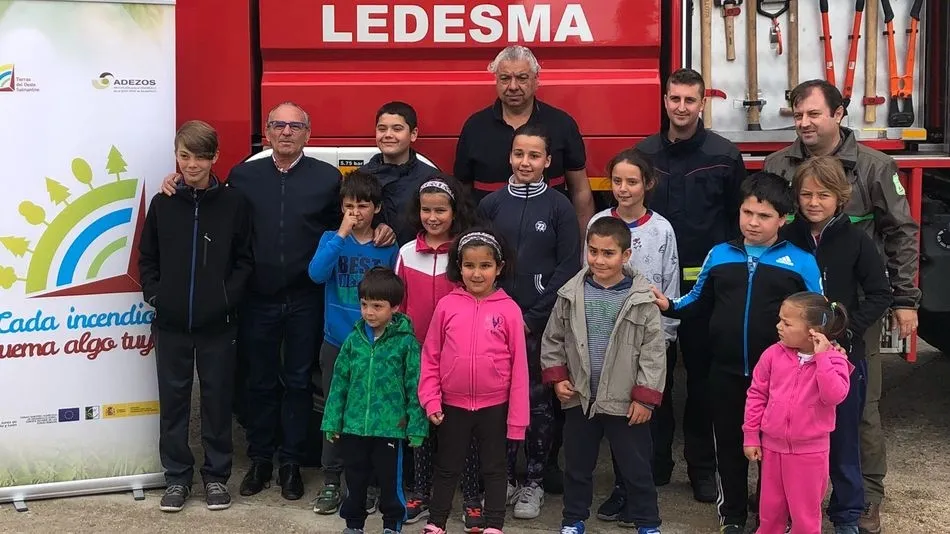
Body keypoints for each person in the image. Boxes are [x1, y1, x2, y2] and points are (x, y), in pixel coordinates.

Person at [161, 102, 343, 500]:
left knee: (297, 382)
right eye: (278, 124)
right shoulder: (244, 176)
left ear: (308, 135)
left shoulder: (328, 179)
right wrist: (174, 181)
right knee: (258, 381)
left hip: (305, 297)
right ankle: (260, 459)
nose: (287, 132)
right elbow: (207, 201)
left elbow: (346, 223)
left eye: (296, 126)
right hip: (256, 298)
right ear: (267, 132)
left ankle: (291, 462)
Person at [763, 80, 921, 534]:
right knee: (790, 400)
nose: (805, 123)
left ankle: (865, 498)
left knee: (859, 408)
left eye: (814, 114)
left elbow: (902, 232)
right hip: (795, 321)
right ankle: (786, 493)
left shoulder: (876, 167)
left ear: (838, 113)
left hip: (853, 313)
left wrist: (905, 300)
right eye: (798, 115)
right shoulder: (778, 165)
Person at [653, 172, 824, 534]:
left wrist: (831, 340)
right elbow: (695, 301)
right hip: (726, 372)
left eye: (763, 216)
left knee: (772, 452)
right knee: (729, 447)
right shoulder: (720, 254)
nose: (753, 222)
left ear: (784, 219)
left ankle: (769, 517)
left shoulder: (801, 261)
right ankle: (731, 516)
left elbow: (819, 314)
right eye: (747, 213)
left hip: (780, 378)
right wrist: (668, 304)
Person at [631, 67, 746, 505]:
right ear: (665, 101)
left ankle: (702, 469)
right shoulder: (643, 154)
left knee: (702, 382)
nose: (681, 107)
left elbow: (740, 221)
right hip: (649, 289)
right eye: (674, 98)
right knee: (651, 377)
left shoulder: (724, 155)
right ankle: (656, 463)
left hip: (703, 291)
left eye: (689, 100)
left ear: (702, 104)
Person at [139, 120, 254, 512]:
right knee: (173, 403)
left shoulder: (234, 203)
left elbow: (244, 260)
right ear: (176, 155)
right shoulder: (163, 202)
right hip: (171, 324)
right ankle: (176, 478)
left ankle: (217, 478)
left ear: (215, 157)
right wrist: (157, 295)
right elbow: (147, 257)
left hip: (218, 325)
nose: (192, 165)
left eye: (200, 157)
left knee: (217, 401)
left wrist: (225, 299)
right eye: (184, 156)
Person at [477, 123, 581, 520]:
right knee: (497, 403)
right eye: (520, 154)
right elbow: (480, 265)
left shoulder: (559, 207)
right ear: (510, 156)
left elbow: (569, 267)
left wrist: (533, 317)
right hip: (495, 325)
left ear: (548, 162)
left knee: (538, 406)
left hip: (541, 327)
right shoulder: (491, 206)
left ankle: (534, 482)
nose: (526, 162)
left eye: (534, 156)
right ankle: (502, 479)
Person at [783, 156, 892, 534]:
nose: (813, 202)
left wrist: (845, 332)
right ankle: (793, 512)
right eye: (806, 194)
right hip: (793, 360)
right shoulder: (788, 239)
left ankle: (846, 513)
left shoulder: (856, 241)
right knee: (793, 439)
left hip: (842, 358)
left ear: (840, 198)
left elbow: (879, 294)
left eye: (823, 195)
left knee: (844, 437)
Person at [542, 216, 666, 534]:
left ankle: (648, 523)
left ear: (626, 256)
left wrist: (645, 398)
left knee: (636, 467)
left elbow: (654, 353)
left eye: (608, 253)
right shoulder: (570, 294)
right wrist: (557, 378)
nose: (599, 260)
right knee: (578, 466)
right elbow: (553, 339)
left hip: (626, 402)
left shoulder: (642, 300)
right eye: (593, 251)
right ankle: (573, 519)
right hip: (581, 397)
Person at [585, 149, 680, 519]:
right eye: (617, 181)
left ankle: (639, 491)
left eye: (632, 181)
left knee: (644, 417)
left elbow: (669, 284)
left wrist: (667, 336)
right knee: (615, 416)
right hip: (605, 341)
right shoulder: (597, 222)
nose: (623, 189)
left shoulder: (661, 229)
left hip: (650, 341)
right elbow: (586, 279)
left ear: (647, 184)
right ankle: (621, 488)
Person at [417, 229, 530, 534]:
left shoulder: (508, 310)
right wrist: (430, 398)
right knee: (446, 467)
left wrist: (517, 421)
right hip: (452, 405)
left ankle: (494, 525)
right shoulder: (447, 306)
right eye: (469, 266)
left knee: (494, 470)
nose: (477, 273)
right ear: (459, 266)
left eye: (485, 266)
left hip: (495, 406)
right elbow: (431, 356)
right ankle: (436, 522)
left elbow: (520, 369)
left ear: (499, 268)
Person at [393, 174, 484, 527]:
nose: (433, 217)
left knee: (465, 428)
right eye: (426, 210)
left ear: (453, 211)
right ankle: (420, 493)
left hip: (459, 357)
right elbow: (398, 305)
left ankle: (473, 497)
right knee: (420, 426)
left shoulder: (464, 252)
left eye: (440, 210)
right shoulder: (405, 253)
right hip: (418, 355)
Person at [308, 171, 400, 515]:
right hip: (337, 343)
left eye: (362, 206)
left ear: (376, 208)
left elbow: (397, 295)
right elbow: (316, 274)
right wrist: (341, 234)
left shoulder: (387, 245)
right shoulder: (332, 238)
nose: (356, 212)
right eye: (349, 206)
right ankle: (331, 480)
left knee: (373, 416)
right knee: (335, 412)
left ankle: (369, 482)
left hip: (376, 345)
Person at [321, 267, 428, 534]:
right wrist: (332, 421)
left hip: (390, 427)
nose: (369, 312)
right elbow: (339, 384)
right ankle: (354, 525)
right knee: (355, 480)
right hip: (354, 426)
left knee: (391, 482)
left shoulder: (406, 343)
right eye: (364, 305)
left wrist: (416, 426)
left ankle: (392, 524)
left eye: (377, 306)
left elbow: (415, 386)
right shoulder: (353, 341)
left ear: (394, 307)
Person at [454, 45, 595, 238]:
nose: (513, 86)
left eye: (522, 78)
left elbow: (580, 191)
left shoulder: (562, 124)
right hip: (488, 247)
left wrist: (583, 248)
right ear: (496, 80)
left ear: (536, 81)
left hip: (549, 243)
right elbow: (461, 195)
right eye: (505, 78)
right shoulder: (475, 127)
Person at [743, 293, 854, 534]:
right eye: (780, 320)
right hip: (772, 448)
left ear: (812, 330)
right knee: (770, 513)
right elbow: (756, 395)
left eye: (787, 322)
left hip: (810, 453)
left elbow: (834, 395)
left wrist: (823, 357)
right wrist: (751, 435)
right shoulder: (772, 354)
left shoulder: (835, 359)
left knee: (805, 516)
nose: (778, 326)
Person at [359, 101, 440, 246]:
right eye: (382, 129)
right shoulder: (360, 177)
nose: (388, 135)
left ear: (413, 134)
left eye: (397, 129)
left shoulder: (432, 179)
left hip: (415, 262)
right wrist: (371, 229)